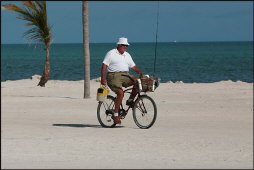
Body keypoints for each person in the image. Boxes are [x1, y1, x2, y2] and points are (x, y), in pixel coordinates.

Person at [101, 37, 143, 124]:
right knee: (120, 93)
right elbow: (104, 66)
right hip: (113, 76)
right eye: (124, 45)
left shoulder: (127, 55)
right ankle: (115, 115)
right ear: (119, 45)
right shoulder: (111, 53)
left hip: (125, 75)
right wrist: (102, 78)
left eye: (126, 45)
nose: (125, 47)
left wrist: (141, 73)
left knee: (138, 81)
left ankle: (130, 100)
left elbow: (133, 66)